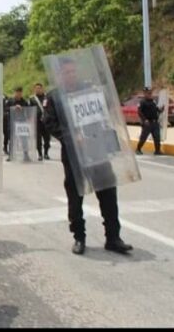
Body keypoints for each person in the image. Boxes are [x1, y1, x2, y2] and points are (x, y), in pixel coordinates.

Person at [44, 58, 133, 255]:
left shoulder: (89, 91)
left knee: (108, 192)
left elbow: (106, 108)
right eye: (66, 73)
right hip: (74, 155)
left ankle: (113, 237)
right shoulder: (55, 97)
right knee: (75, 197)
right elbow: (49, 123)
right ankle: (79, 237)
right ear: (59, 75)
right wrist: (70, 136)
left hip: (97, 149)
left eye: (73, 72)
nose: (71, 76)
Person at [136, 87, 164, 156]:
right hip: (147, 123)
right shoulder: (142, 102)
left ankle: (157, 150)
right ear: (145, 93)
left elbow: (156, 110)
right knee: (143, 137)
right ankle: (138, 149)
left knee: (157, 137)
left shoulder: (153, 101)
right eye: (149, 93)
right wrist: (144, 120)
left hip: (155, 123)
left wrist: (161, 110)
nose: (150, 94)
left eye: (151, 93)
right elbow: (139, 112)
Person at [3, 87, 29, 162]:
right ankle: (11, 155)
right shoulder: (10, 101)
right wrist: (14, 108)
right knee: (11, 139)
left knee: (24, 139)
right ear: (14, 92)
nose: (18, 94)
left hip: (22, 123)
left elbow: (28, 110)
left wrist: (23, 109)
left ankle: (26, 155)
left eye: (20, 93)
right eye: (17, 92)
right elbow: (5, 109)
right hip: (12, 122)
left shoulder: (24, 101)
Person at [29, 83, 51, 160]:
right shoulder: (32, 99)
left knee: (47, 138)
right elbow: (30, 110)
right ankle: (40, 154)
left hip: (46, 121)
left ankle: (46, 153)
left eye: (39, 88)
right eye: (36, 88)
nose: (38, 89)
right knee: (38, 139)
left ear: (42, 88)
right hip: (37, 122)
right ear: (34, 89)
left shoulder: (47, 97)